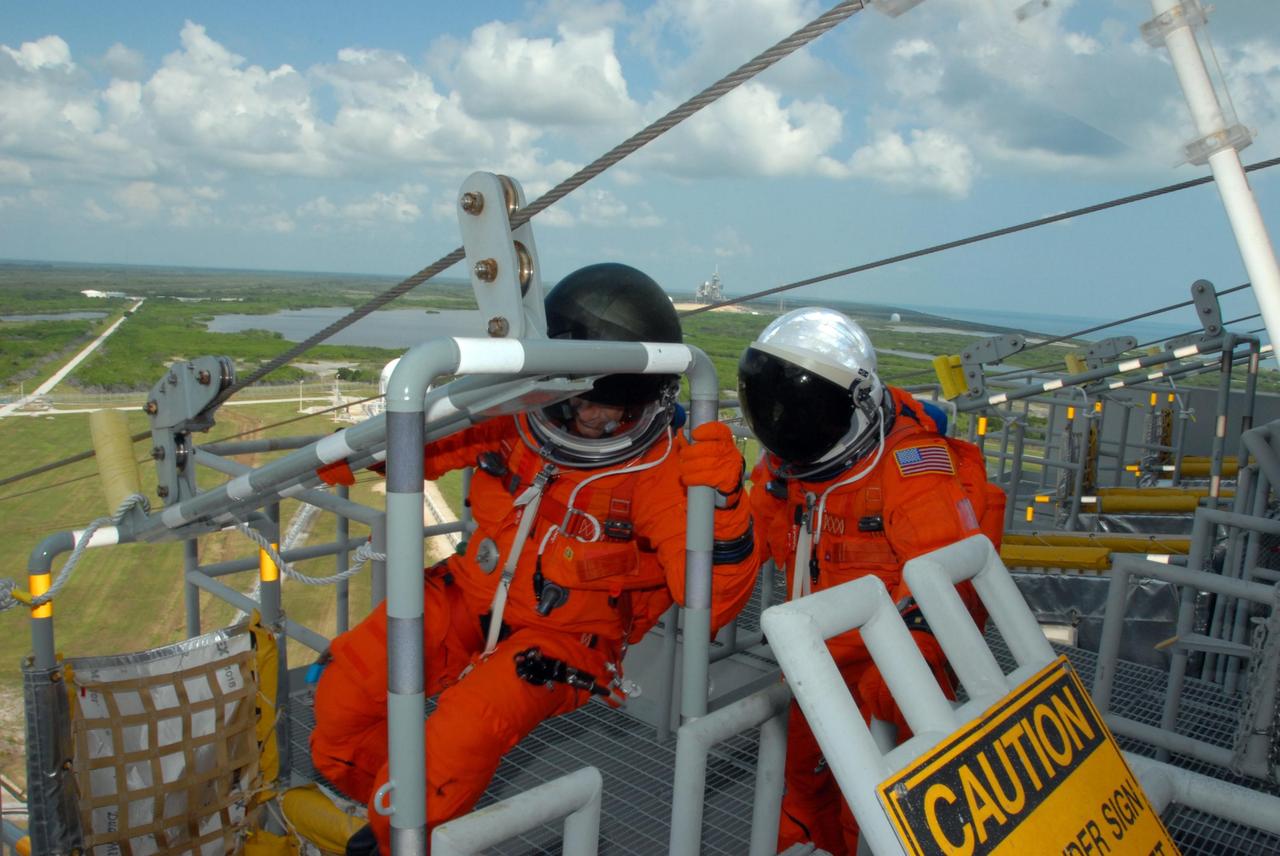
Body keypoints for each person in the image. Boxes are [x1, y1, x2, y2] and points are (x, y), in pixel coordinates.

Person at [310, 262, 759, 854]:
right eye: (582, 403)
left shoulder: (662, 474)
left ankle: (400, 833)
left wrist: (721, 504)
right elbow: (417, 447)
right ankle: (392, 811)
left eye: (614, 409)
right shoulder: (511, 418)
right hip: (474, 591)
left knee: (458, 736)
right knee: (342, 703)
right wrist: (353, 449)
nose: (595, 420)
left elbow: (714, 604)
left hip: (566, 639)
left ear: (651, 399)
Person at [738, 306, 1004, 856]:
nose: (792, 432)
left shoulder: (910, 467)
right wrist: (714, 504)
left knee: (881, 811)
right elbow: (744, 548)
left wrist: (906, 677)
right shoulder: (787, 468)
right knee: (807, 791)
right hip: (817, 667)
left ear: (856, 403)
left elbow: (942, 582)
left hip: (892, 673)